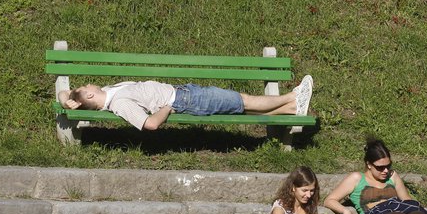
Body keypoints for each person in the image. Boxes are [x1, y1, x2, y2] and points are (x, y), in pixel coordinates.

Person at [57, 75, 313, 131]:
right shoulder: (119, 103)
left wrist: (67, 100)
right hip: (185, 100)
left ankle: (292, 109)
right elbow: (150, 124)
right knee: (241, 100)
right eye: (85, 87)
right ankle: (292, 97)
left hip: (186, 93)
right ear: (89, 96)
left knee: (240, 104)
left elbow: (65, 92)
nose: (88, 84)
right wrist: (169, 106)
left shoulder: (110, 92)